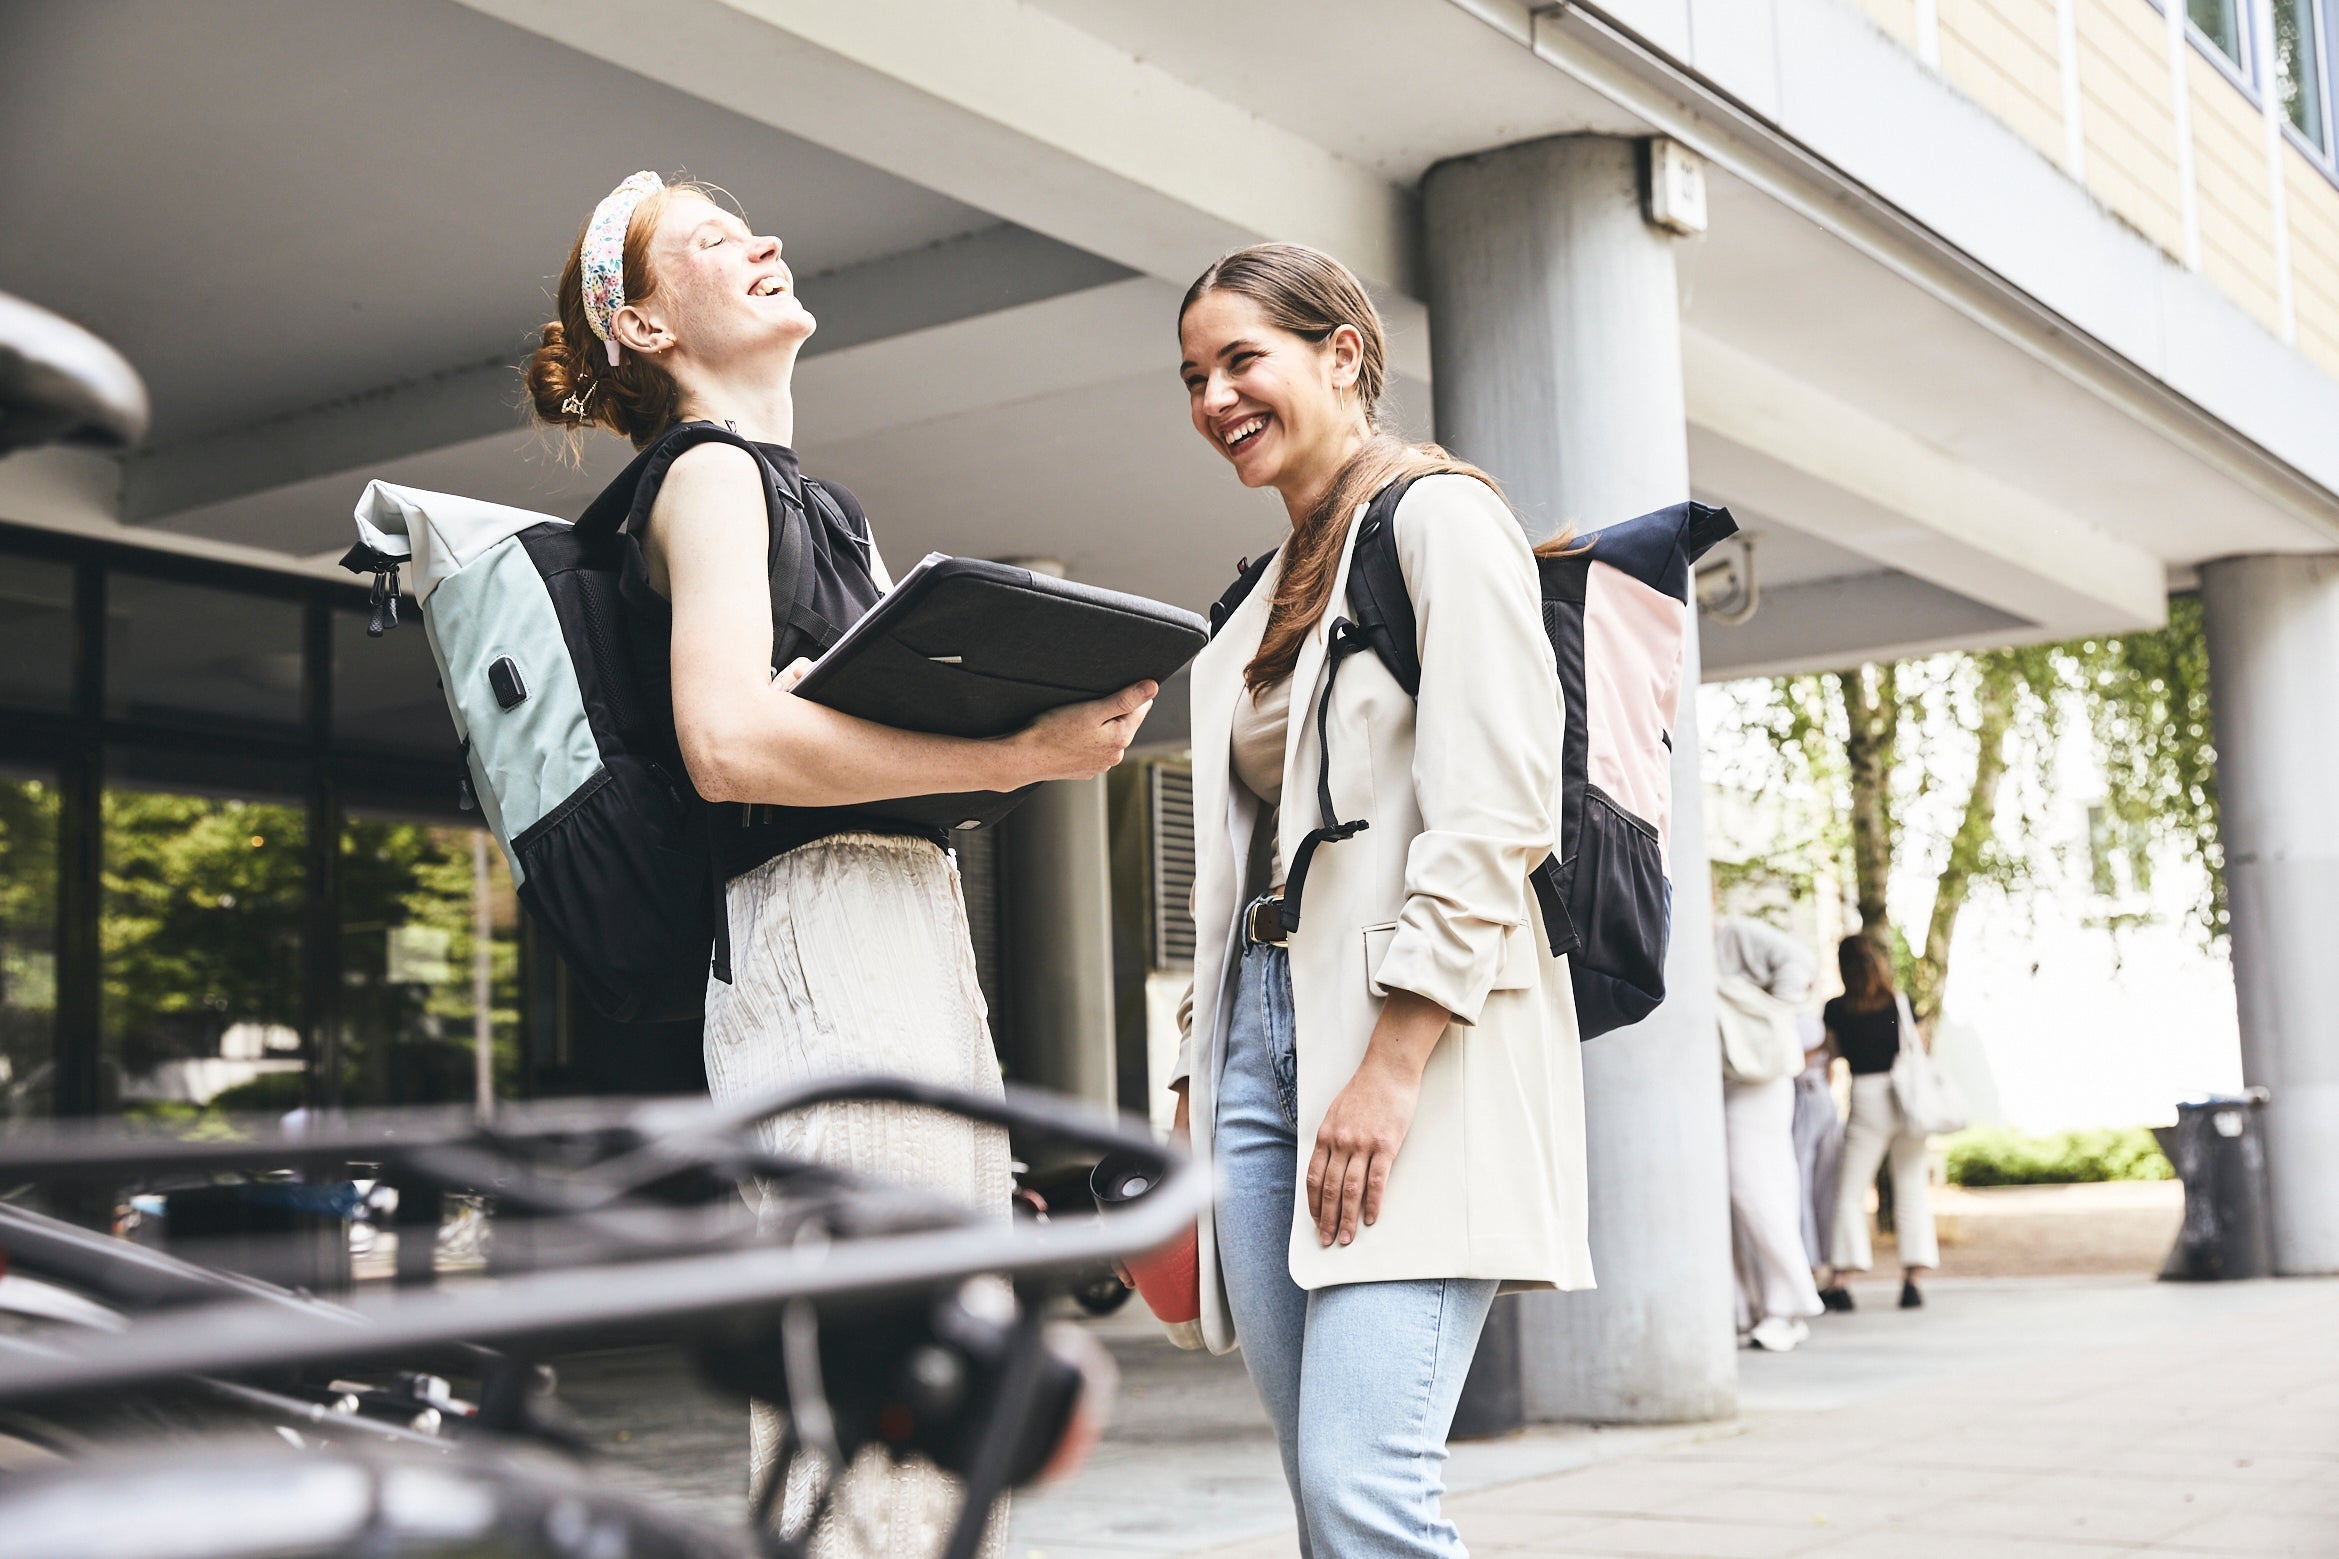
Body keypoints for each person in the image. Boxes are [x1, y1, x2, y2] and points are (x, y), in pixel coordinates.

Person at [523, 172, 1155, 1557]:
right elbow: (729, 742)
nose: (759, 240)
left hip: (896, 935)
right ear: (641, 323)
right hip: (818, 942)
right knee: (874, 1415)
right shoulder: (704, 475)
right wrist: (1010, 756)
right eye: (704, 239)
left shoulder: (821, 502)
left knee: (918, 1404)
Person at [1169, 243, 1593, 1558]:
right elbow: (1244, 857)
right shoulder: (1258, 594)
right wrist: (1197, 1060)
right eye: (1191, 375)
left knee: (1365, 1487)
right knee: (1322, 1492)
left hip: (1406, 1039)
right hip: (1255, 1051)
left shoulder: (1435, 517)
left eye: (1242, 358)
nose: (1213, 396)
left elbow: (1495, 807)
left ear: (1339, 352)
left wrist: (1392, 1057)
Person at [1714, 915, 1827, 1352]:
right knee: (1747, 1192)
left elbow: (1799, 963)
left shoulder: (1734, 933)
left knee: (1754, 1188)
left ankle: (1791, 1302)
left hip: (1757, 1078)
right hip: (1727, 1081)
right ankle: (1761, 1308)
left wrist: (1771, 1017)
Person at [1820, 934, 1938, 1310]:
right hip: (1908, 1099)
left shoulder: (1838, 1009)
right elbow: (1919, 1049)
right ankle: (1912, 1281)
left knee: (1850, 1191)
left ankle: (1842, 1280)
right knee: (1911, 1186)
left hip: (1868, 1096)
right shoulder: (1898, 1002)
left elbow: (1834, 1055)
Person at [1789, 1010, 1847, 1302]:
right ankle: (1824, 1264)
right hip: (1823, 1097)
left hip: (1806, 1096)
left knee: (1800, 1185)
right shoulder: (1813, 1018)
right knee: (1822, 1186)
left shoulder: (1791, 1017)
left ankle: (1811, 1266)